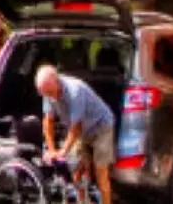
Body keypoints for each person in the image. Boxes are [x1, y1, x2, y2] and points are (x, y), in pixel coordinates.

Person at [36, 64, 115, 204]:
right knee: (76, 171)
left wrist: (63, 151)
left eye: (49, 92)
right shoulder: (47, 92)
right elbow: (47, 122)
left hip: (101, 127)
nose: (48, 96)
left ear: (57, 81)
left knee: (100, 173)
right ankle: (82, 201)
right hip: (82, 131)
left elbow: (75, 128)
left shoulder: (75, 91)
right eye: (45, 93)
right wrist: (52, 150)